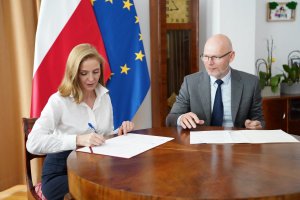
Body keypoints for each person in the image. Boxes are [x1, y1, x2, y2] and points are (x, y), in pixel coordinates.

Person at [26, 43, 134, 200]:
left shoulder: (104, 96)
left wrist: (119, 132)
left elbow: (104, 134)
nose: (91, 79)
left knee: (123, 184)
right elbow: (33, 143)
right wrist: (77, 140)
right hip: (61, 171)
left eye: (96, 72)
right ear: (73, 73)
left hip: (94, 168)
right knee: (100, 192)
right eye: (84, 73)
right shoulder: (59, 100)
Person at [166, 34, 264, 129]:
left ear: (231, 56)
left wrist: (255, 125)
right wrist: (181, 118)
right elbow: (171, 118)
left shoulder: (251, 83)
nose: (209, 62)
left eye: (216, 57)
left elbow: (259, 120)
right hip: (202, 142)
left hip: (236, 142)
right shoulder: (190, 83)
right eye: (206, 56)